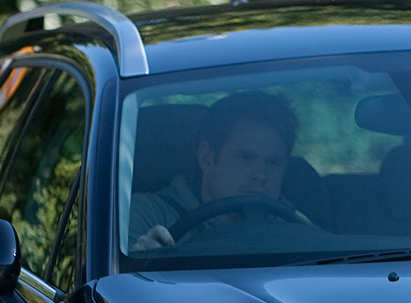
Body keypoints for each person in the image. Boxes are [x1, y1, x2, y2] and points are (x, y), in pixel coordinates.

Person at [129, 90, 304, 251]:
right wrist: (140, 260)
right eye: (246, 157)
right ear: (206, 157)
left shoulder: (296, 227)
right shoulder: (146, 216)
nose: (261, 175)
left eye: (273, 162)